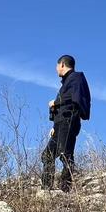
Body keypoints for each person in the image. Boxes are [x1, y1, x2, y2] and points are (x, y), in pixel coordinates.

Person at [41, 55, 91, 192]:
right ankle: (46, 189)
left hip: (68, 122)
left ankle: (65, 189)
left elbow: (76, 100)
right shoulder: (66, 83)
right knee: (47, 155)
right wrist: (54, 126)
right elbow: (67, 101)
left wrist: (55, 102)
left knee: (65, 155)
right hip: (60, 124)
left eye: (57, 66)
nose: (56, 69)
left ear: (62, 65)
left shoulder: (77, 77)